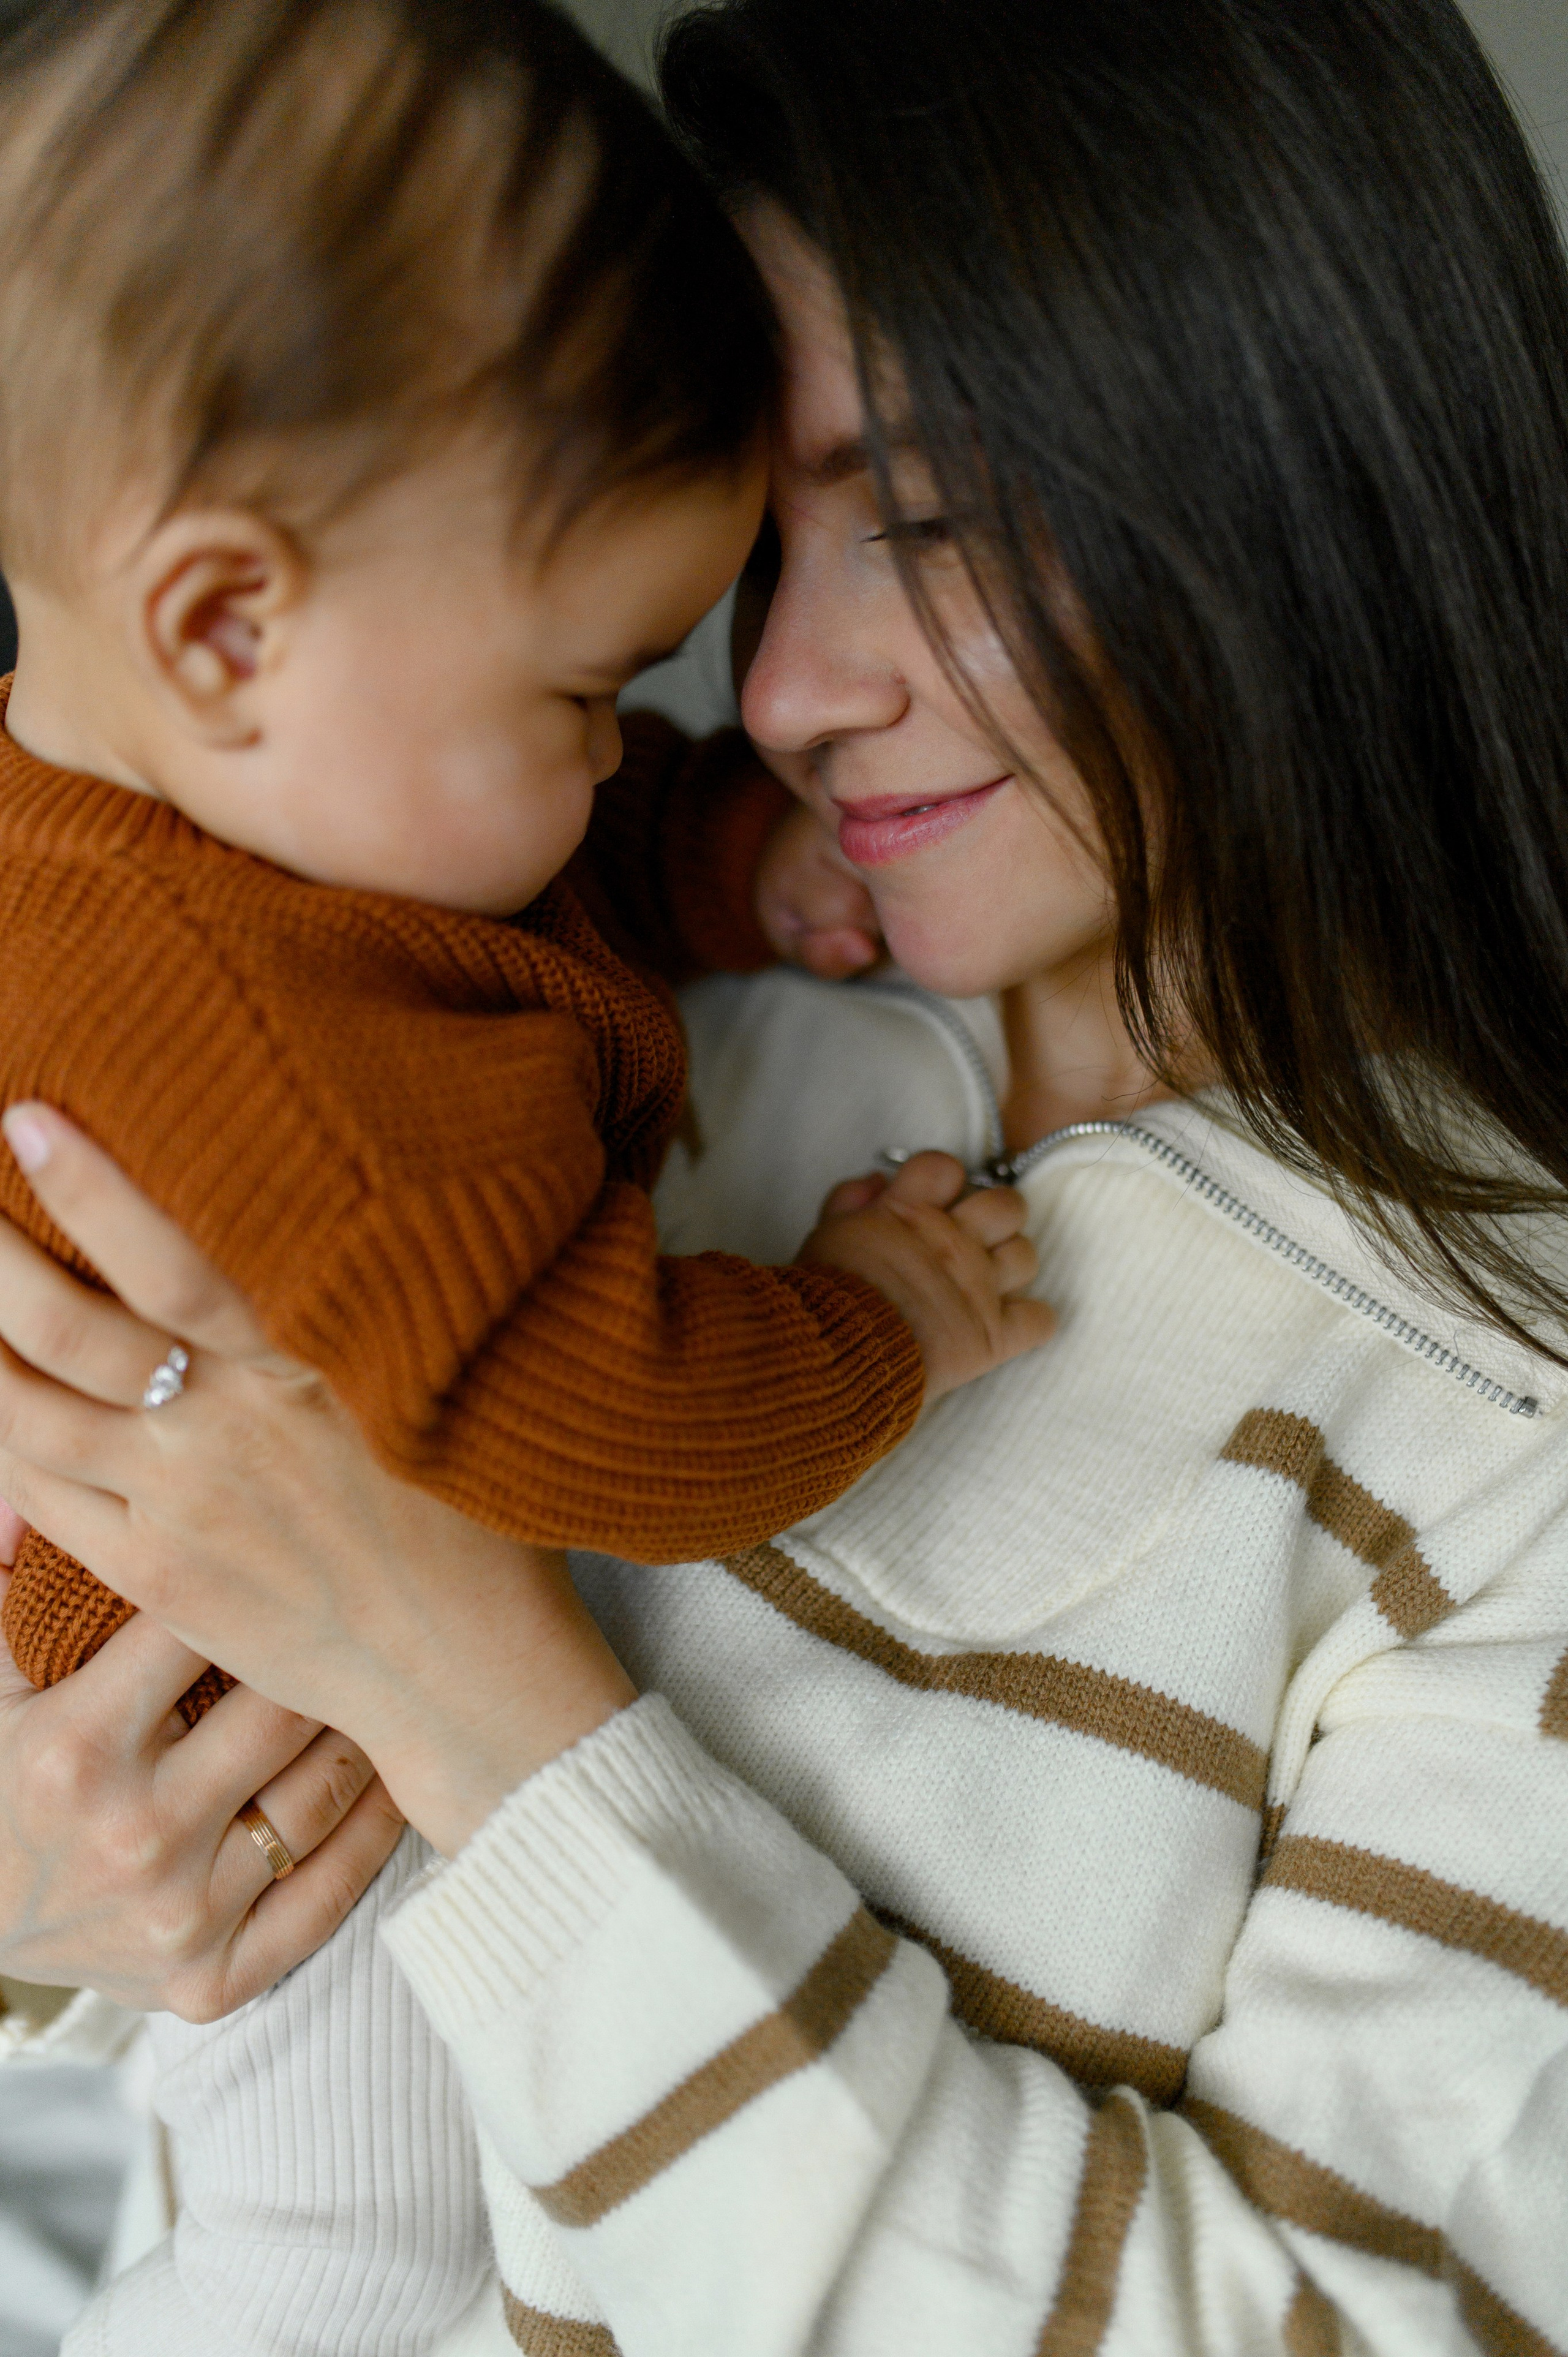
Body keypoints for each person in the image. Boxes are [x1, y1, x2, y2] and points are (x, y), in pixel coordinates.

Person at [4, 0, 1568, 2348]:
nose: (782, 689)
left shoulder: (1510, 1428)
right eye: (765, 540)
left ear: (1287, 470)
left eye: (922, 523)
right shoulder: (541, 1040)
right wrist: (44, 1886)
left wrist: (470, 1684)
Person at [0, 1, 1049, 2349]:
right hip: (255, 1760)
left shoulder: (194, 809)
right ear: (224, 622)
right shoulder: (289, 1067)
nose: (633, 747)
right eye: (588, 695)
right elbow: (594, 1417)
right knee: (349, 2251)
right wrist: (889, 1319)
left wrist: (722, 859)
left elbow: (514, 897)